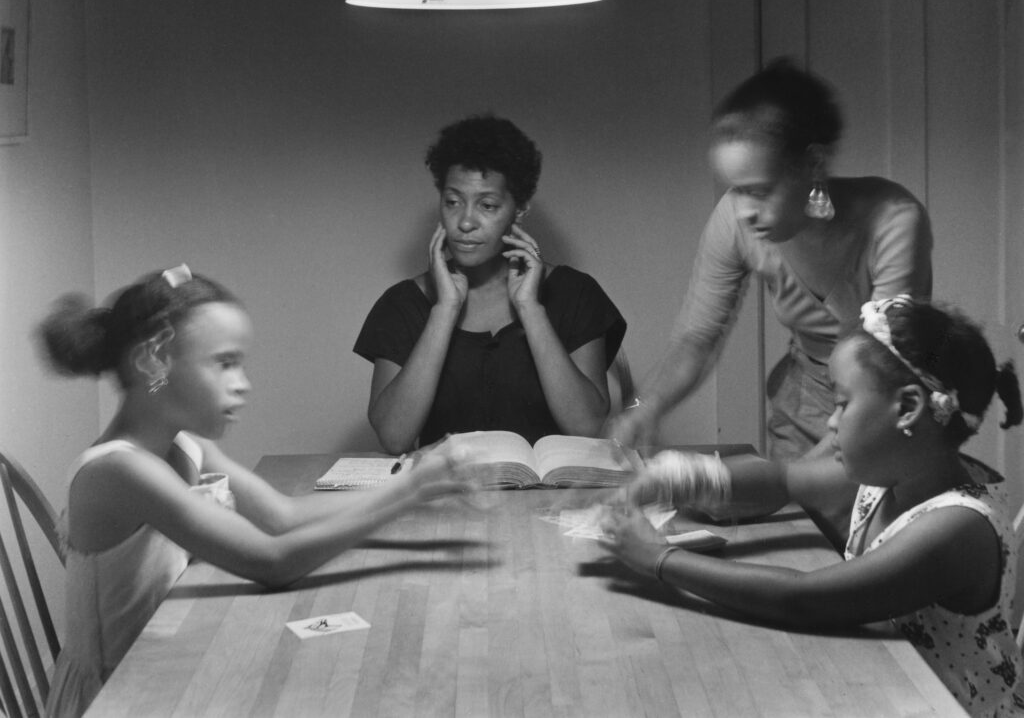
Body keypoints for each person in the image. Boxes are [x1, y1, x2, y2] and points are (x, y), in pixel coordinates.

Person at [38, 265, 470, 718]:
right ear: (155, 362)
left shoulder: (186, 443)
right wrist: (412, 492)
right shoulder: (121, 470)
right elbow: (272, 561)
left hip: (160, 666)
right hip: (115, 699)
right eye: (225, 363)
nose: (243, 384)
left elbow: (282, 516)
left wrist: (406, 479)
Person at [599, 296, 1023, 718]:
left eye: (842, 403)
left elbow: (802, 599)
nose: (832, 422)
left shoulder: (957, 527)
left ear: (908, 408)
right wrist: (674, 476)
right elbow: (781, 480)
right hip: (894, 686)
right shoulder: (892, 475)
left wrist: (658, 558)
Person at [610, 58, 932, 461]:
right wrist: (644, 410)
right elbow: (697, 339)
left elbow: (882, 370)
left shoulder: (893, 219)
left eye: (759, 191)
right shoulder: (735, 217)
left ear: (813, 165)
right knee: (797, 522)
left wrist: (782, 482)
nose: (743, 210)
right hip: (804, 398)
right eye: (735, 190)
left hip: (885, 406)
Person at [357, 114, 626, 455]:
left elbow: (586, 427)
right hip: (441, 498)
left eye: (487, 205)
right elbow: (394, 437)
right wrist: (444, 309)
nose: (466, 222)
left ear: (519, 209)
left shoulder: (575, 294)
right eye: (452, 202)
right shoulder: (403, 304)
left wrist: (531, 308)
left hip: (552, 501)